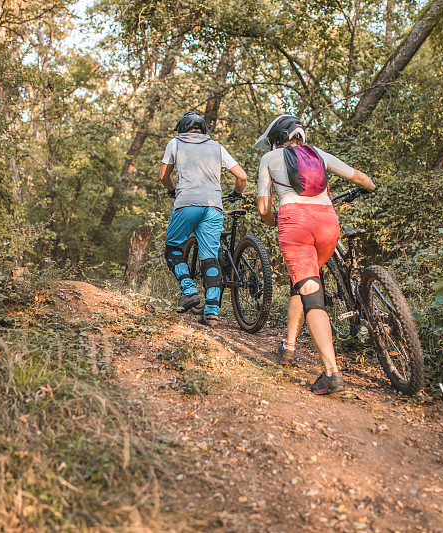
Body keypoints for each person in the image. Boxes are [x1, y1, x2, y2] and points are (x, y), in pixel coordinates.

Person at [254, 115, 376, 394]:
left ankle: (331, 373)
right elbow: (360, 178)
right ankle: (289, 346)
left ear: (275, 140)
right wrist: (372, 186)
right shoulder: (318, 154)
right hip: (328, 223)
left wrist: (274, 221)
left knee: (311, 292)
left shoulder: (269, 159)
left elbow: (263, 209)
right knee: (304, 284)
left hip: (295, 224)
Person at [160, 111, 247, 326]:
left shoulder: (175, 143)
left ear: (183, 128)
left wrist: (172, 190)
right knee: (210, 258)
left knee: (172, 249)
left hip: (187, 204)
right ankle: (211, 312)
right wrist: (236, 193)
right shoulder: (217, 147)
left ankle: (189, 290)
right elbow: (242, 176)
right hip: (213, 207)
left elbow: (164, 176)